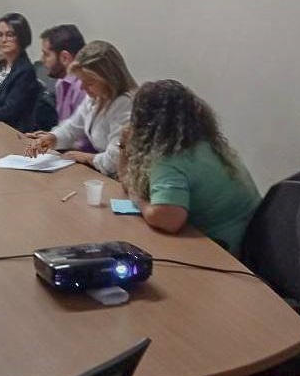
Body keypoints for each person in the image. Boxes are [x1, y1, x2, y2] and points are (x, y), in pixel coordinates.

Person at [122, 79, 261, 255]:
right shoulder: (207, 144)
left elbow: (169, 221)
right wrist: (123, 147)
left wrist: (138, 201)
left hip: (224, 250)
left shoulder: (170, 159)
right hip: (253, 239)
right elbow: (127, 181)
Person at [25, 40, 136, 177]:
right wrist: (53, 138)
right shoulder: (95, 98)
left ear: (109, 79)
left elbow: (114, 160)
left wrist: (85, 157)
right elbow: (71, 128)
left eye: (89, 82)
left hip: (121, 179)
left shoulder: (125, 104)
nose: (83, 87)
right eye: (81, 81)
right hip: (102, 174)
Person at [38, 24, 90, 150]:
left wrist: (55, 141)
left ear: (65, 58)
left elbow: (86, 140)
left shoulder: (84, 87)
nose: (41, 59)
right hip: (66, 151)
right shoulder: (61, 84)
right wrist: (51, 136)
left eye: (46, 54)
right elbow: (65, 127)